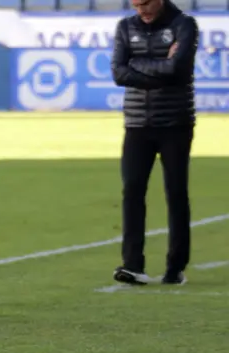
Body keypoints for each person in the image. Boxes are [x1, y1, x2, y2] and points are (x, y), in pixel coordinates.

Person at [110, 0, 198, 286]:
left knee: (175, 193)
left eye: (145, 4)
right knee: (132, 191)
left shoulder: (183, 24)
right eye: (136, 5)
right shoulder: (126, 27)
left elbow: (180, 70)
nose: (141, 11)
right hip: (136, 123)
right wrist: (162, 68)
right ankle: (133, 265)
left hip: (175, 122)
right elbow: (118, 73)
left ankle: (175, 268)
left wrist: (138, 65)